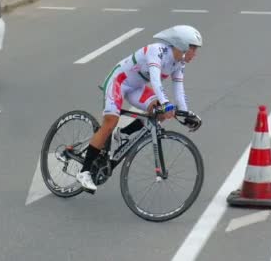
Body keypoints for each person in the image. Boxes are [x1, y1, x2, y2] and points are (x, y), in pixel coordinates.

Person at [76, 25, 204, 191]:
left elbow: (179, 89)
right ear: (182, 45)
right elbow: (156, 81)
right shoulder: (157, 51)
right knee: (110, 121)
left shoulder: (179, 63)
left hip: (137, 87)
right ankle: (84, 171)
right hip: (119, 81)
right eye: (193, 48)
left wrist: (186, 113)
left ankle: (124, 134)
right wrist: (166, 103)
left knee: (159, 113)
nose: (195, 53)